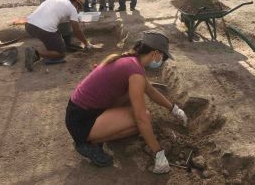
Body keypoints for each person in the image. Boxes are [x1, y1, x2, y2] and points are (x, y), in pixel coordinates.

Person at [65, 31, 188, 173]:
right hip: (81, 121)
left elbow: (151, 91)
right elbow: (141, 117)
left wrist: (174, 109)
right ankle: (87, 143)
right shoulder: (134, 71)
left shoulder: (131, 62)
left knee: (135, 113)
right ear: (155, 53)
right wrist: (158, 153)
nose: (162, 60)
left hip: (81, 113)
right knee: (144, 118)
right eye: (163, 56)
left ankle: (96, 137)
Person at [24, 0, 92, 71]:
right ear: (76, 3)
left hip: (29, 25)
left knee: (53, 37)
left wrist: (64, 41)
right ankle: (35, 53)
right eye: (78, 7)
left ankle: (48, 47)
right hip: (43, 29)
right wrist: (86, 43)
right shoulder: (72, 8)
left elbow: (62, 25)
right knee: (60, 53)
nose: (77, 9)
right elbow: (77, 30)